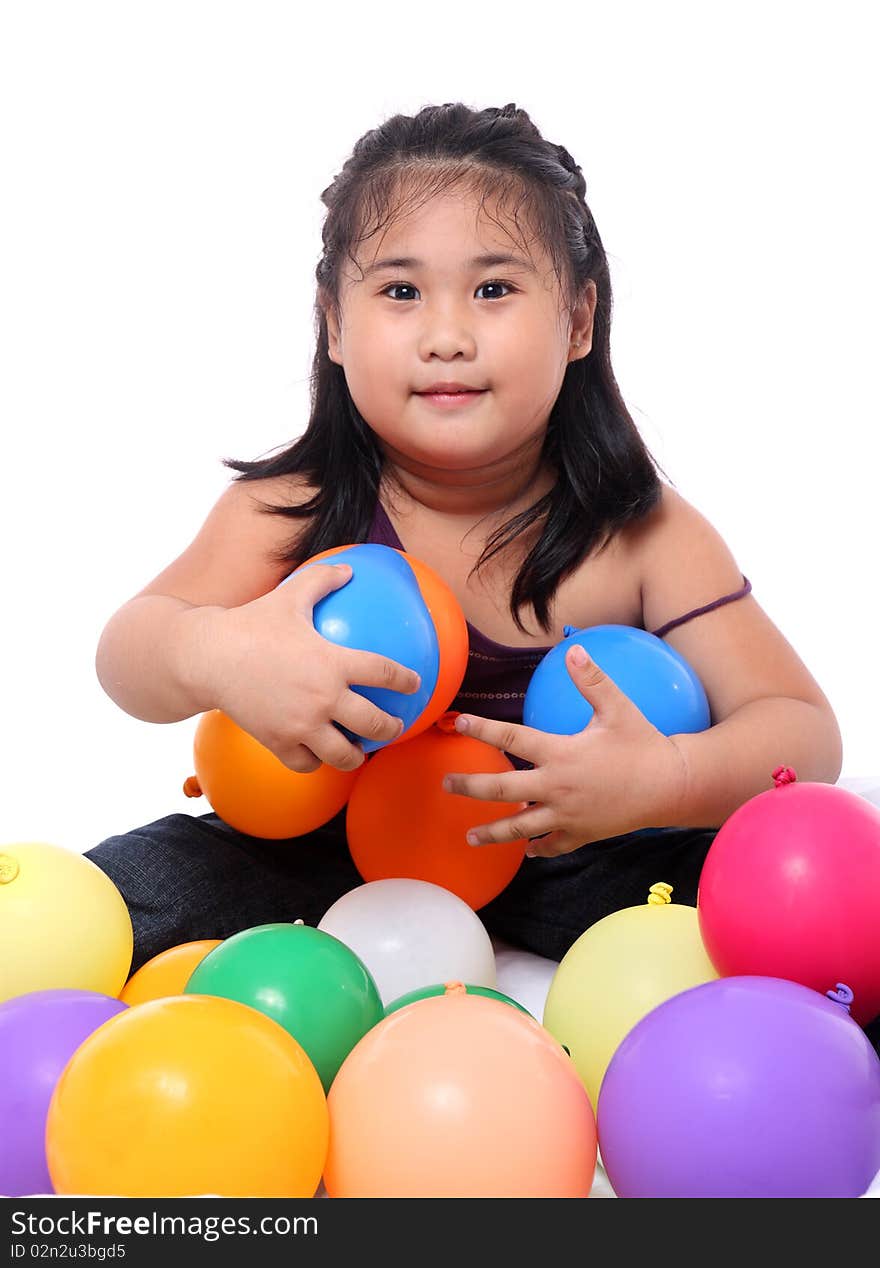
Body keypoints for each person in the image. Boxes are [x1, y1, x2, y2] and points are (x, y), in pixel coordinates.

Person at [89, 101, 854, 1024]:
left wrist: (662, 781)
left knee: (818, 922)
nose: (446, 334)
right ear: (334, 325)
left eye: (493, 290)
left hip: (583, 848)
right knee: (121, 900)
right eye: (401, 292)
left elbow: (801, 732)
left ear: (577, 321)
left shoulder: (641, 532)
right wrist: (215, 655)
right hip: (325, 848)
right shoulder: (288, 511)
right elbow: (128, 651)